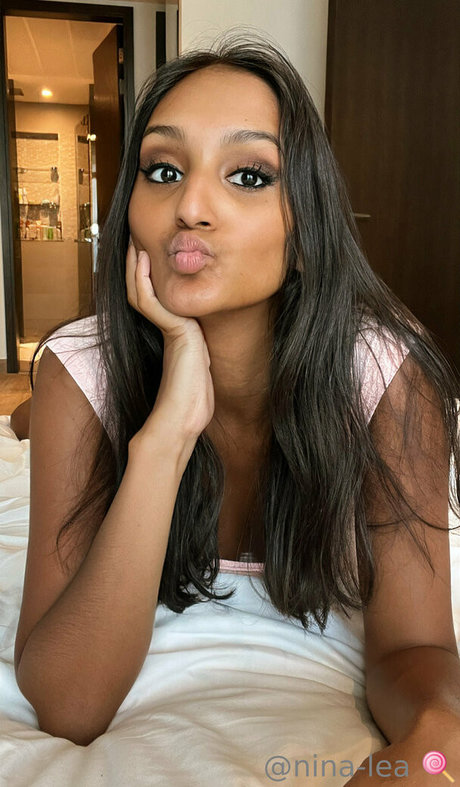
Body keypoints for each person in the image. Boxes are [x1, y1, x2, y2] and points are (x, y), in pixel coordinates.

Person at [13, 32, 460, 780]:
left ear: (306, 227)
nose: (190, 206)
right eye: (163, 170)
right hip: (109, 384)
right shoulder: (79, 369)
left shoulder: (386, 375)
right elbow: (70, 706)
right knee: (34, 417)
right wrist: (164, 439)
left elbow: (416, 648)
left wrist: (435, 741)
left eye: (249, 176)